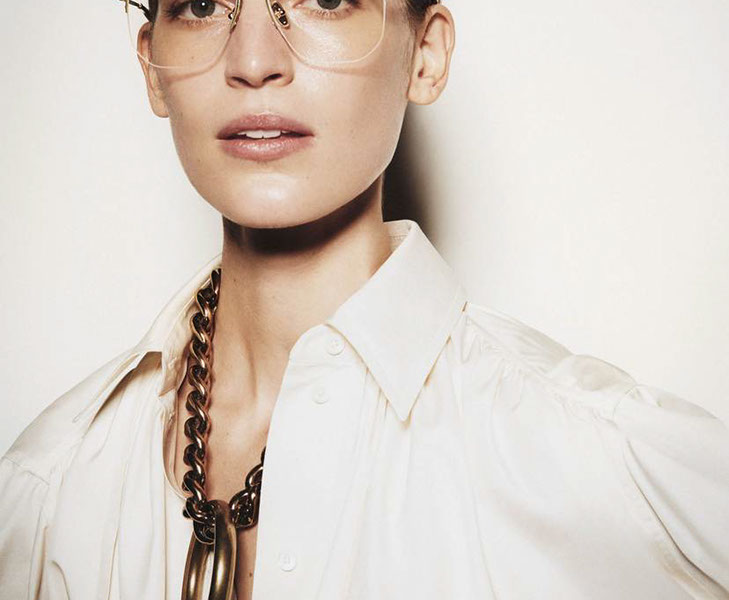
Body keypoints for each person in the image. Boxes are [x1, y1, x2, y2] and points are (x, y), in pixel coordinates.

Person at [1, 0, 728, 598]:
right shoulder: (50, 488)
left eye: (323, 0)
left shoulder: (595, 464)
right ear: (152, 67)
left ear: (425, 55)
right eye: (200, 6)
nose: (253, 60)